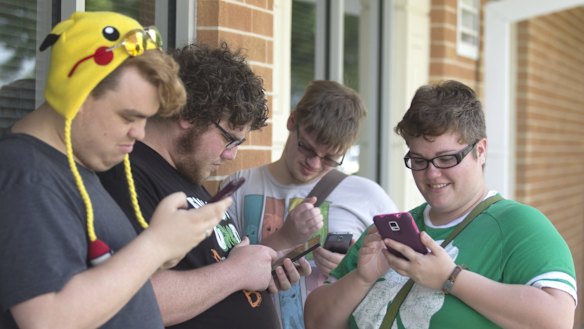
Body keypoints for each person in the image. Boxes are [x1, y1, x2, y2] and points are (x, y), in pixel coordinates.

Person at [0, 11, 230, 329]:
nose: (139, 132)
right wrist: (156, 245)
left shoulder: (75, 167)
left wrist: (163, 251)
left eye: (145, 119)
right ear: (76, 95)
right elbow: (47, 320)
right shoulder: (27, 175)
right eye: (128, 117)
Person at [304, 80, 577, 329]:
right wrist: (363, 277)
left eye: (446, 159)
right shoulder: (393, 229)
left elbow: (557, 320)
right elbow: (316, 322)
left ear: (480, 151)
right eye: (419, 161)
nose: (432, 174)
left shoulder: (519, 224)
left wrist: (451, 277)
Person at [99, 42, 301, 329]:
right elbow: (132, 299)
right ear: (189, 115)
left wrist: (258, 268)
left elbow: (209, 271)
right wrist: (236, 273)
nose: (231, 154)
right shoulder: (127, 176)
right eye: (228, 138)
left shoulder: (187, 177)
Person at [224, 80, 399, 329]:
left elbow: (401, 278)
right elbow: (219, 274)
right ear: (292, 121)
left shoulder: (368, 197)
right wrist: (284, 238)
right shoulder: (239, 186)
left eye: (329, 158)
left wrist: (351, 271)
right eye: (306, 148)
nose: (314, 164)